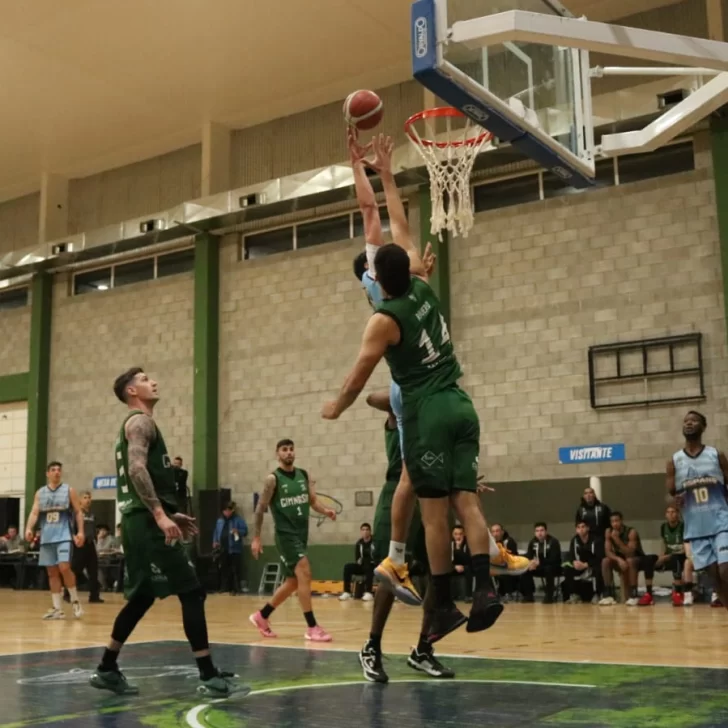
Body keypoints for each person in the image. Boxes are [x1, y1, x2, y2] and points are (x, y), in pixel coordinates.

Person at [323, 134, 505, 642]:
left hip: (418, 397)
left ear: (375, 276)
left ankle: (403, 561)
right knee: (459, 498)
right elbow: (394, 221)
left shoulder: (382, 310)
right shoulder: (420, 282)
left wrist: (358, 168)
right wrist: (383, 171)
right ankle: (478, 581)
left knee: (423, 495)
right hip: (454, 396)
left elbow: (370, 213)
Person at [89, 367, 237, 697]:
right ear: (131, 391)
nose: (153, 382)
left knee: (142, 596)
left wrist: (168, 512)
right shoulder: (141, 422)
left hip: (139, 521)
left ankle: (107, 668)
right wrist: (159, 514)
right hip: (146, 523)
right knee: (192, 592)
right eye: (144, 379)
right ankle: (208, 675)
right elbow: (136, 468)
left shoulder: (135, 425)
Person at [358, 392, 454, 682]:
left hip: (432, 496)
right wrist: (410, 395)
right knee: (391, 573)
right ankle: (372, 646)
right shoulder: (400, 411)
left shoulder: (437, 423)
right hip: (398, 495)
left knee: (439, 574)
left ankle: (423, 649)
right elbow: (371, 398)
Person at [249, 439, 336, 642]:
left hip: (301, 533)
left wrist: (326, 511)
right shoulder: (273, 479)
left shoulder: (304, 475)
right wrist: (256, 537)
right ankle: (312, 627)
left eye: (291, 449)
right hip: (285, 535)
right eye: (284, 449)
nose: (289, 452)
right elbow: (260, 509)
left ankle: (262, 616)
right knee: (305, 571)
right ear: (277, 454)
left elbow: (312, 501)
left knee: (293, 582)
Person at [668, 410, 728, 611]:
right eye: (686, 421)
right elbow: (671, 492)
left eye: (694, 421)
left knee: (725, 569)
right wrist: (675, 499)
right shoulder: (674, 461)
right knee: (715, 579)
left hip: (721, 521)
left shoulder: (716, 455)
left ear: (703, 427)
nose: (689, 423)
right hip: (696, 528)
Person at [25, 461, 85, 620]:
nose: (57, 472)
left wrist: (80, 532)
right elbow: (34, 512)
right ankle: (57, 608)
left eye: (59, 470)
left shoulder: (69, 490)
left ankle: (75, 600)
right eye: (53, 470)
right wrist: (29, 528)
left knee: (64, 567)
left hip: (64, 536)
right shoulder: (40, 493)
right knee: (52, 573)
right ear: (47, 474)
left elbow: (78, 512)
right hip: (47, 538)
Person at [600, 511, 653, 606]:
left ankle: (633, 595)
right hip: (621, 559)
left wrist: (617, 539)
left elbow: (630, 553)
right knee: (605, 561)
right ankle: (608, 595)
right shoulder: (608, 531)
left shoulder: (631, 532)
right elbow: (607, 552)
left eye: (617, 521)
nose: (615, 524)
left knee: (630, 561)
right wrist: (618, 559)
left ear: (621, 521)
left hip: (637, 559)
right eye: (612, 521)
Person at [650, 505, 693, 606]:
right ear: (665, 515)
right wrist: (661, 556)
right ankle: (648, 594)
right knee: (649, 560)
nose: (671, 514)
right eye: (668, 512)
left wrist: (669, 556)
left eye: (673, 512)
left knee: (675, 559)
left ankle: (678, 592)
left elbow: (686, 547)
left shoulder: (683, 526)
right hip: (669, 556)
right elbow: (664, 543)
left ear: (678, 514)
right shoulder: (663, 527)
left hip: (682, 555)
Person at [66, 490, 103, 604]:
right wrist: (74, 538)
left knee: (93, 570)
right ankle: (67, 594)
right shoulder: (76, 513)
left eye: (89, 497)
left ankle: (94, 596)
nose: (88, 500)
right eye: (85, 497)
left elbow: (93, 529)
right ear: (80, 500)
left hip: (90, 544)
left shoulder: (92, 514)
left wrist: (96, 539)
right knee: (75, 569)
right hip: (79, 544)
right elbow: (71, 527)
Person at [212, 501, 248, 595]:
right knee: (224, 569)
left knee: (235, 569)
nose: (227, 512)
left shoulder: (238, 520)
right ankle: (224, 588)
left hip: (234, 549)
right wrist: (215, 541)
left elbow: (245, 531)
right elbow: (216, 532)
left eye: (229, 510)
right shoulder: (220, 521)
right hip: (222, 549)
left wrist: (238, 531)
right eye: (225, 510)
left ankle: (236, 589)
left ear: (232, 511)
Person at [562, 521, 601, 603]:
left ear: (588, 528)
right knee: (567, 568)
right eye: (578, 527)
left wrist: (586, 564)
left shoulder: (596, 539)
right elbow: (571, 555)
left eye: (583, 527)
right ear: (576, 530)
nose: (581, 529)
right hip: (579, 565)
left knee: (598, 568)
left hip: (592, 564)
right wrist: (574, 562)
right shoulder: (574, 540)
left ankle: (597, 594)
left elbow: (599, 557)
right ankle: (574, 594)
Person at [523, 523, 562, 603]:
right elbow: (529, 556)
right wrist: (531, 563)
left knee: (548, 569)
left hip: (554, 567)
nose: (539, 533)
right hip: (539, 566)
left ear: (546, 531)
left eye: (541, 530)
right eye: (537, 531)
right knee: (526, 569)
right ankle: (529, 595)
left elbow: (554, 559)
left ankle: (549, 595)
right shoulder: (532, 542)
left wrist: (540, 562)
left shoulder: (553, 541)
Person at [340, 523, 376, 601]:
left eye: (367, 530)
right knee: (347, 567)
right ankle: (347, 592)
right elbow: (357, 558)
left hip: (373, 566)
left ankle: (368, 593)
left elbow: (377, 556)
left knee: (369, 566)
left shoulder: (375, 542)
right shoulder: (359, 543)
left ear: (370, 531)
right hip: (362, 566)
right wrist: (360, 562)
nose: (365, 532)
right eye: (363, 530)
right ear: (361, 532)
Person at [451, 526, 472, 601]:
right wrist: (454, 566)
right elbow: (448, 560)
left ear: (464, 534)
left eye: (460, 534)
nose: (458, 536)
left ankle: (468, 595)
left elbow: (468, 560)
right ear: (452, 535)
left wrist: (459, 548)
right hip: (453, 566)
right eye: (456, 534)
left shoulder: (468, 544)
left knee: (468, 568)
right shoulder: (450, 544)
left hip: (466, 566)